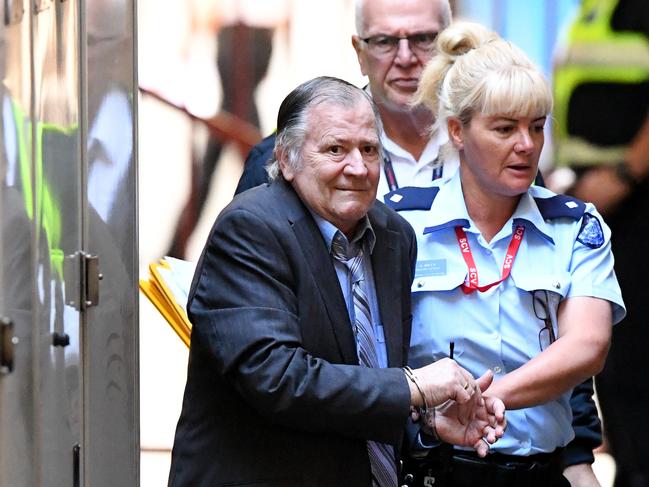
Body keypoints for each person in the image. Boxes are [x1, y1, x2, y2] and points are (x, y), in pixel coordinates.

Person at [234, 0, 605, 483]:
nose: (406, 57)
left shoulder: (500, 153)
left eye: (424, 39)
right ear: (359, 50)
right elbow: (275, 329)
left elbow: (546, 325)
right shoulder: (299, 156)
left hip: (515, 452)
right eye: (386, 41)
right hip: (366, 451)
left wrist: (576, 453)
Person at [168, 76, 506, 487]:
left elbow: (369, 373)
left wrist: (424, 418)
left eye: (369, 150)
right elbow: (279, 378)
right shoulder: (250, 229)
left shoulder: (394, 235)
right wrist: (411, 386)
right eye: (335, 149)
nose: (358, 168)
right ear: (287, 160)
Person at [386, 22, 625, 486]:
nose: (527, 145)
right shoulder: (400, 223)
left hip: (538, 472)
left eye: (536, 127)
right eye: (504, 128)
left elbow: (588, 346)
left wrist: (479, 398)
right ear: (457, 131)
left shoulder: (575, 224)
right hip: (432, 471)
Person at [551, 1, 649, 485]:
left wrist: (625, 173)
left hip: (635, 202)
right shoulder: (593, 9)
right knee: (616, 373)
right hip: (597, 204)